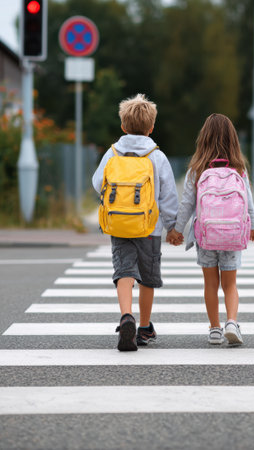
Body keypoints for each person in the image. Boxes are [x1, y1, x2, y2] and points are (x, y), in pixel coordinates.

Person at [92, 94, 178, 351]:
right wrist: (172, 226)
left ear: (122, 126)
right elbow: (168, 196)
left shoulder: (112, 152)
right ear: (151, 127)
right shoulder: (157, 156)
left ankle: (125, 315)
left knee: (124, 271)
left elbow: (98, 183)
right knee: (148, 278)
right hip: (149, 227)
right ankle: (143, 328)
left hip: (118, 224)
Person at [167, 113, 254, 346]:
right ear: (233, 140)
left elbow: (187, 204)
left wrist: (177, 230)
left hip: (206, 237)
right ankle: (231, 322)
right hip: (232, 236)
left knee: (210, 284)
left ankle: (215, 329)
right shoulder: (239, 170)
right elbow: (248, 202)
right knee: (230, 284)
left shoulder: (197, 170)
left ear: (203, 139)